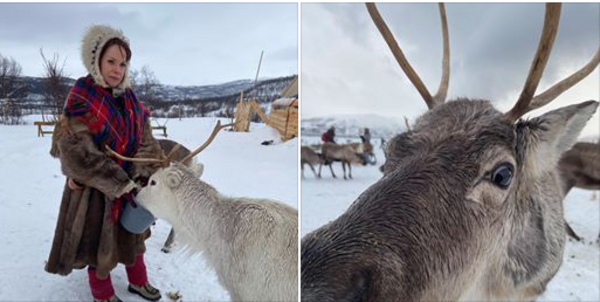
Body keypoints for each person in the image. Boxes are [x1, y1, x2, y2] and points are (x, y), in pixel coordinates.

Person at [45, 25, 164, 302]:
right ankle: (102, 294)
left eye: (122, 63)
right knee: (98, 242)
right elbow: (74, 150)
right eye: (111, 61)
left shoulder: (132, 101)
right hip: (95, 191)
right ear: (95, 60)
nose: (117, 70)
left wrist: (144, 172)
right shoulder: (82, 97)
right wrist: (116, 180)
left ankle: (138, 282)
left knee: (134, 238)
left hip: (130, 185)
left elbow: (147, 141)